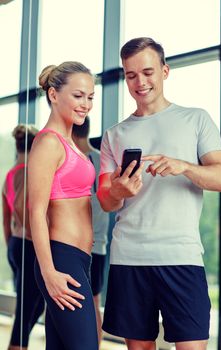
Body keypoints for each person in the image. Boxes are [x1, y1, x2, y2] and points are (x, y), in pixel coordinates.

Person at [97, 37, 221, 350]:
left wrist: (184, 166)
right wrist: (118, 189)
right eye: (131, 75)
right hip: (129, 257)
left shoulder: (196, 119)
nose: (140, 82)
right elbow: (105, 200)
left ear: (165, 71)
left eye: (147, 72)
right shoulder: (114, 135)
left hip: (181, 255)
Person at [27, 62, 98, 350]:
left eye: (91, 97)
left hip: (78, 260)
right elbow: (35, 211)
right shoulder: (48, 143)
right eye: (79, 96)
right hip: (61, 260)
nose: (86, 105)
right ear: (54, 95)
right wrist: (49, 272)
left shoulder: (70, 143)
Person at [2, 124, 45, 350]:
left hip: (16, 245)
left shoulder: (10, 175)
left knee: (33, 306)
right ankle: (17, 345)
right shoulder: (32, 171)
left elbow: (6, 219)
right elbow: (20, 208)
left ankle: (18, 344)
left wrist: (12, 248)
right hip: (28, 245)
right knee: (25, 310)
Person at [72, 116, 109, 345]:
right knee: (93, 303)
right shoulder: (101, 160)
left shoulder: (76, 161)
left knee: (78, 303)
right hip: (100, 244)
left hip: (79, 244)